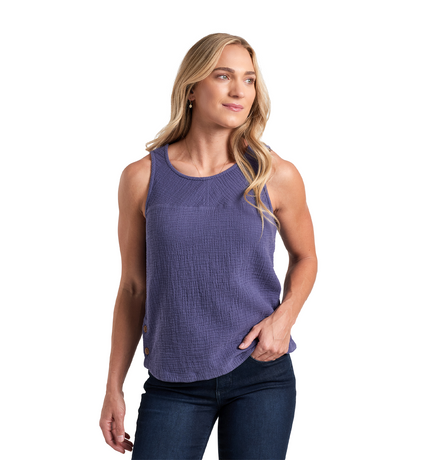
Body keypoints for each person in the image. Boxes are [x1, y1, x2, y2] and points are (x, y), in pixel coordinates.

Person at [99, 32, 318, 459]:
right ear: (191, 89)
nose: (240, 91)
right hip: (174, 379)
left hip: (260, 373)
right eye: (223, 76)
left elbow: (306, 257)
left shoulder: (275, 174)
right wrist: (113, 386)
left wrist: (284, 318)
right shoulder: (142, 178)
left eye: (249, 79)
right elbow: (133, 288)